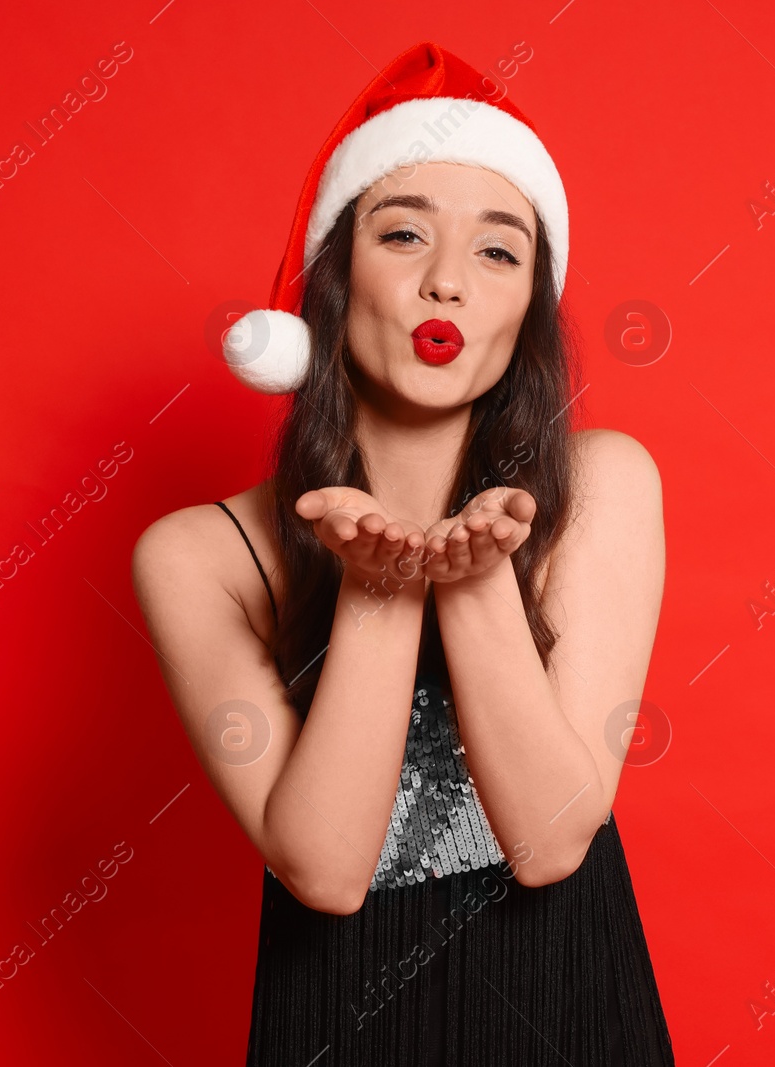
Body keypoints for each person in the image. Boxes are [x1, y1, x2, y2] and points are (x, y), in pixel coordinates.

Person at [132, 41, 673, 1065]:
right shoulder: (201, 554)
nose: (446, 284)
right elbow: (327, 871)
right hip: (335, 1022)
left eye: (498, 251)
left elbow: (551, 839)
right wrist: (378, 592)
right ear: (334, 282)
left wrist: (471, 586)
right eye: (403, 233)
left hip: (574, 1010)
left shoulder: (604, 482)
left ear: (527, 311)